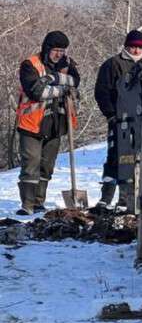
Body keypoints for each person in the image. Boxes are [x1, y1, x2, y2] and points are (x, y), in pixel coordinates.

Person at [15, 31, 80, 215]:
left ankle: (39, 201)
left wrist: (53, 79)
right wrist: (61, 88)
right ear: (47, 48)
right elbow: (37, 92)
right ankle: (27, 205)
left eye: (62, 50)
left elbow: (76, 82)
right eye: (56, 50)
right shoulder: (30, 65)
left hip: (56, 123)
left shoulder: (67, 64)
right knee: (31, 164)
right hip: (32, 123)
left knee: (47, 166)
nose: (59, 54)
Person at [94, 30, 142, 210]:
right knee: (116, 156)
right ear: (126, 46)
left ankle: (129, 199)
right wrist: (110, 114)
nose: (136, 51)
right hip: (120, 119)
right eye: (133, 47)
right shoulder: (113, 64)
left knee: (139, 159)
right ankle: (106, 197)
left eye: (140, 47)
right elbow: (102, 91)